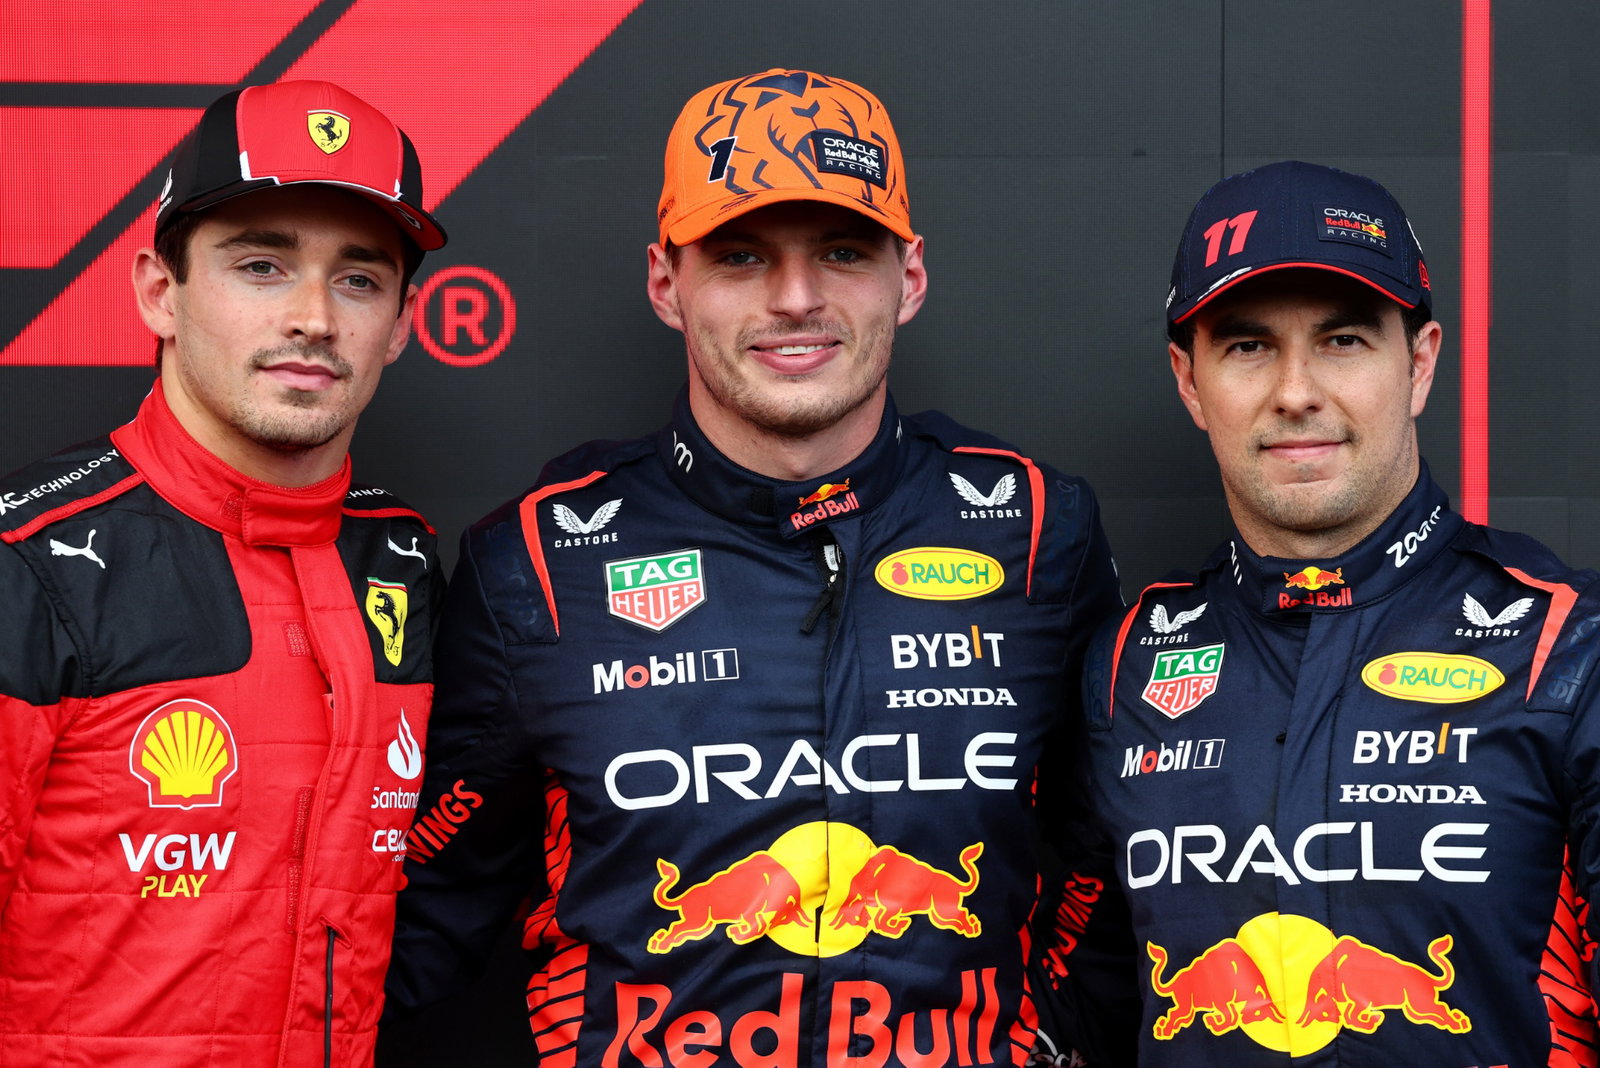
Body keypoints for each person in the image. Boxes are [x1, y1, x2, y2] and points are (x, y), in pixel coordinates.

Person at [385, 69, 1127, 1065]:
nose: (795, 297)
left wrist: (1054, 1040)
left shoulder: (1038, 529)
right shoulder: (538, 558)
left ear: (908, 278)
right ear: (664, 281)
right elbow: (427, 906)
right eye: (739, 255)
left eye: (841, 252)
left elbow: (1110, 855)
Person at [1078, 159, 1600, 1064]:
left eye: (1344, 340)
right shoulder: (1123, 667)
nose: (1295, 392)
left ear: (1421, 363)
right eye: (1246, 346)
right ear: (1189, 382)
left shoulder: (1566, 648)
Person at [0, 80, 447, 1066]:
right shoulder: (27, 565)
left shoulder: (403, 561)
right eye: (260, 266)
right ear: (160, 292)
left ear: (405, 321)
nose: (313, 318)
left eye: (359, 279)